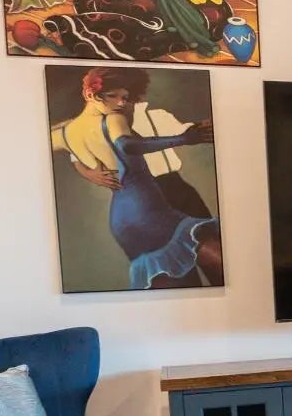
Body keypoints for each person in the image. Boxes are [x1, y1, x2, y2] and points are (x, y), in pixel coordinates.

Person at [50, 68, 220, 287]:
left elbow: (58, 139)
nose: (121, 103)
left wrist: (82, 164)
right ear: (90, 94)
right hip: (146, 208)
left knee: (178, 283)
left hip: (123, 219)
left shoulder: (64, 133)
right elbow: (127, 145)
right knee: (209, 265)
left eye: (125, 97)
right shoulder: (113, 119)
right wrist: (183, 139)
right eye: (114, 96)